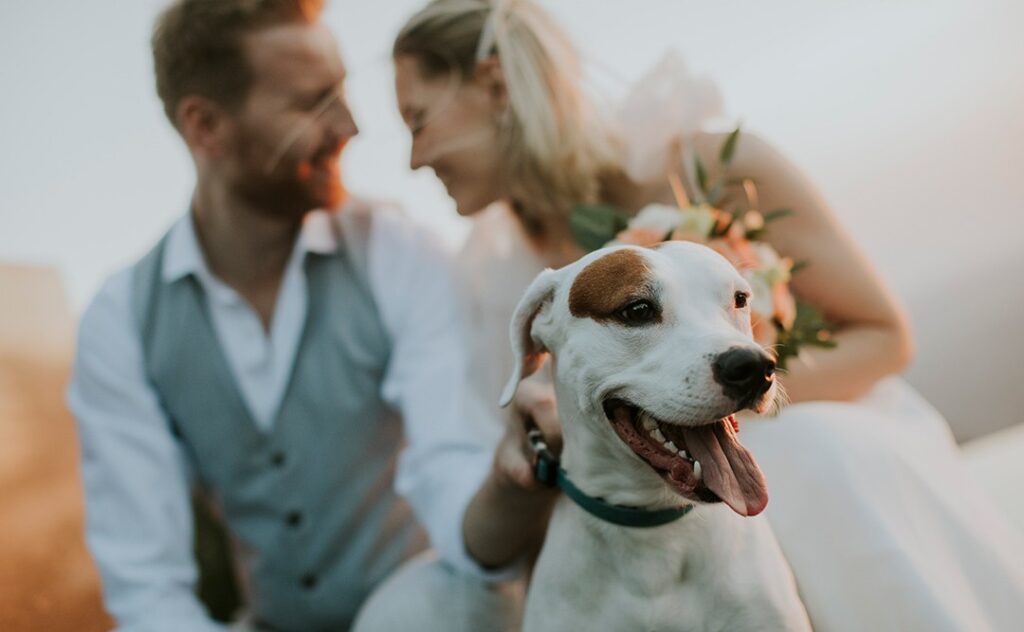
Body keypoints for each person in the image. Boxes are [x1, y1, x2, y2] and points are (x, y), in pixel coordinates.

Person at [391, 1, 1024, 630]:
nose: (415, 158)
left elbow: (886, 337)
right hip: (643, 519)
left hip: (818, 424)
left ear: (494, 84)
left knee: (811, 453)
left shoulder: (715, 165)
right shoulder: (490, 274)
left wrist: (731, 389)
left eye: (418, 120)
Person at [68, 1, 547, 630]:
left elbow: (451, 465)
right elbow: (146, 583)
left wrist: (510, 487)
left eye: (342, 92)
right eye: (313, 102)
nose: (350, 125)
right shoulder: (121, 320)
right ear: (206, 127)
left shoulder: (397, 253)